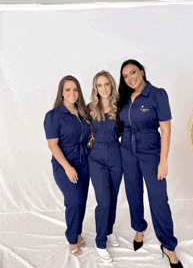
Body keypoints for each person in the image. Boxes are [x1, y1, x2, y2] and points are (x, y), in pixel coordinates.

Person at [118, 60, 183, 268]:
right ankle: (139, 229)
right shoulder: (125, 98)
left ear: (142, 71)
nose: (130, 78)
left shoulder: (157, 95)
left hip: (151, 155)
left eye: (133, 72)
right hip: (127, 153)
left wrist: (163, 161)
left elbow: (166, 130)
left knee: (159, 200)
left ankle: (169, 247)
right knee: (133, 194)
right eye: (126, 76)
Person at [43, 75, 91, 257]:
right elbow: (52, 144)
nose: (72, 93)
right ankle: (72, 239)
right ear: (61, 93)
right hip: (64, 165)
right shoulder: (54, 115)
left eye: (75, 89)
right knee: (74, 200)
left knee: (82, 200)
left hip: (83, 164)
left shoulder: (83, 113)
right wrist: (67, 167)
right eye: (68, 89)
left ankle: (78, 232)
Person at [88, 71, 122, 263]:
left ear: (112, 85)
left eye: (106, 84)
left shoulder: (120, 107)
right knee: (104, 201)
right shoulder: (90, 108)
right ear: (95, 88)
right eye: (99, 85)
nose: (103, 89)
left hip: (116, 156)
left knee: (114, 198)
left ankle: (108, 230)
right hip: (97, 158)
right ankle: (100, 242)